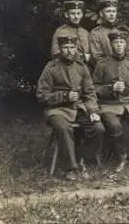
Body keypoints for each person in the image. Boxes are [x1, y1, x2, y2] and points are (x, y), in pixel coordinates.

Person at [36, 35, 105, 180]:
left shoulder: (81, 67)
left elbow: (90, 93)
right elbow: (41, 95)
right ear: (60, 49)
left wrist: (92, 110)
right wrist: (64, 96)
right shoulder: (51, 67)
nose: (69, 51)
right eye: (66, 47)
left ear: (76, 49)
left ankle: (84, 159)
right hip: (56, 110)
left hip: (78, 108)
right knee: (64, 128)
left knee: (98, 128)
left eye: (72, 47)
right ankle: (71, 168)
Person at [92, 30, 129, 173]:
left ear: (126, 45)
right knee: (114, 125)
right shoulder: (102, 64)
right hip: (108, 106)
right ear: (111, 45)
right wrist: (111, 88)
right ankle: (121, 158)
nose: (119, 45)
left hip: (128, 104)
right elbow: (93, 88)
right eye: (116, 42)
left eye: (122, 42)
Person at [89, 0, 122, 68]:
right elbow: (96, 57)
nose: (112, 14)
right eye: (108, 11)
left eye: (114, 11)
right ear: (101, 14)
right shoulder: (95, 33)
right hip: (105, 70)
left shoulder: (119, 31)